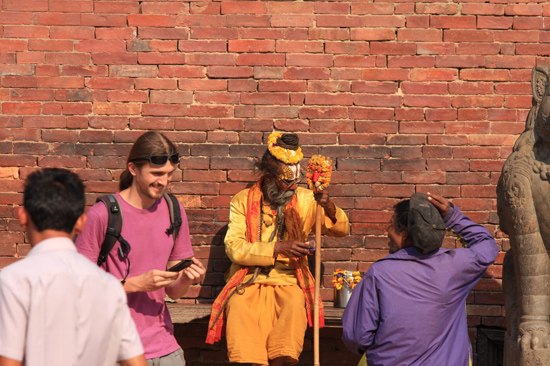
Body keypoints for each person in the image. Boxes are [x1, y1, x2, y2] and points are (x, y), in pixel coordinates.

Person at [206, 131, 350, 366]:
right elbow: (234, 248)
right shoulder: (242, 200)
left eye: (296, 181)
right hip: (247, 281)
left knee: (294, 304)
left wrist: (328, 206)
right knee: (238, 306)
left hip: (289, 282)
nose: (291, 187)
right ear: (269, 175)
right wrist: (277, 248)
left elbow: (340, 230)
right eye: (285, 181)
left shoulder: (305, 198)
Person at [76, 131, 206, 366]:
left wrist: (186, 279)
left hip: (165, 347)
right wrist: (136, 284)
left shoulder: (174, 210)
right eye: (156, 173)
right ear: (133, 169)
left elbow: (172, 292)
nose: (164, 182)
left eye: (169, 174)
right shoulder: (101, 215)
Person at [0, 168, 146, 366]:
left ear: (23, 216)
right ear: (81, 222)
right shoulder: (110, 286)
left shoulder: (12, 281)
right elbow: (136, 362)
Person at [341, 192, 498, 366]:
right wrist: (453, 217)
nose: (387, 232)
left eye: (391, 225)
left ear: (406, 233)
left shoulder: (380, 273)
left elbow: (356, 337)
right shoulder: (456, 266)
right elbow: (487, 246)